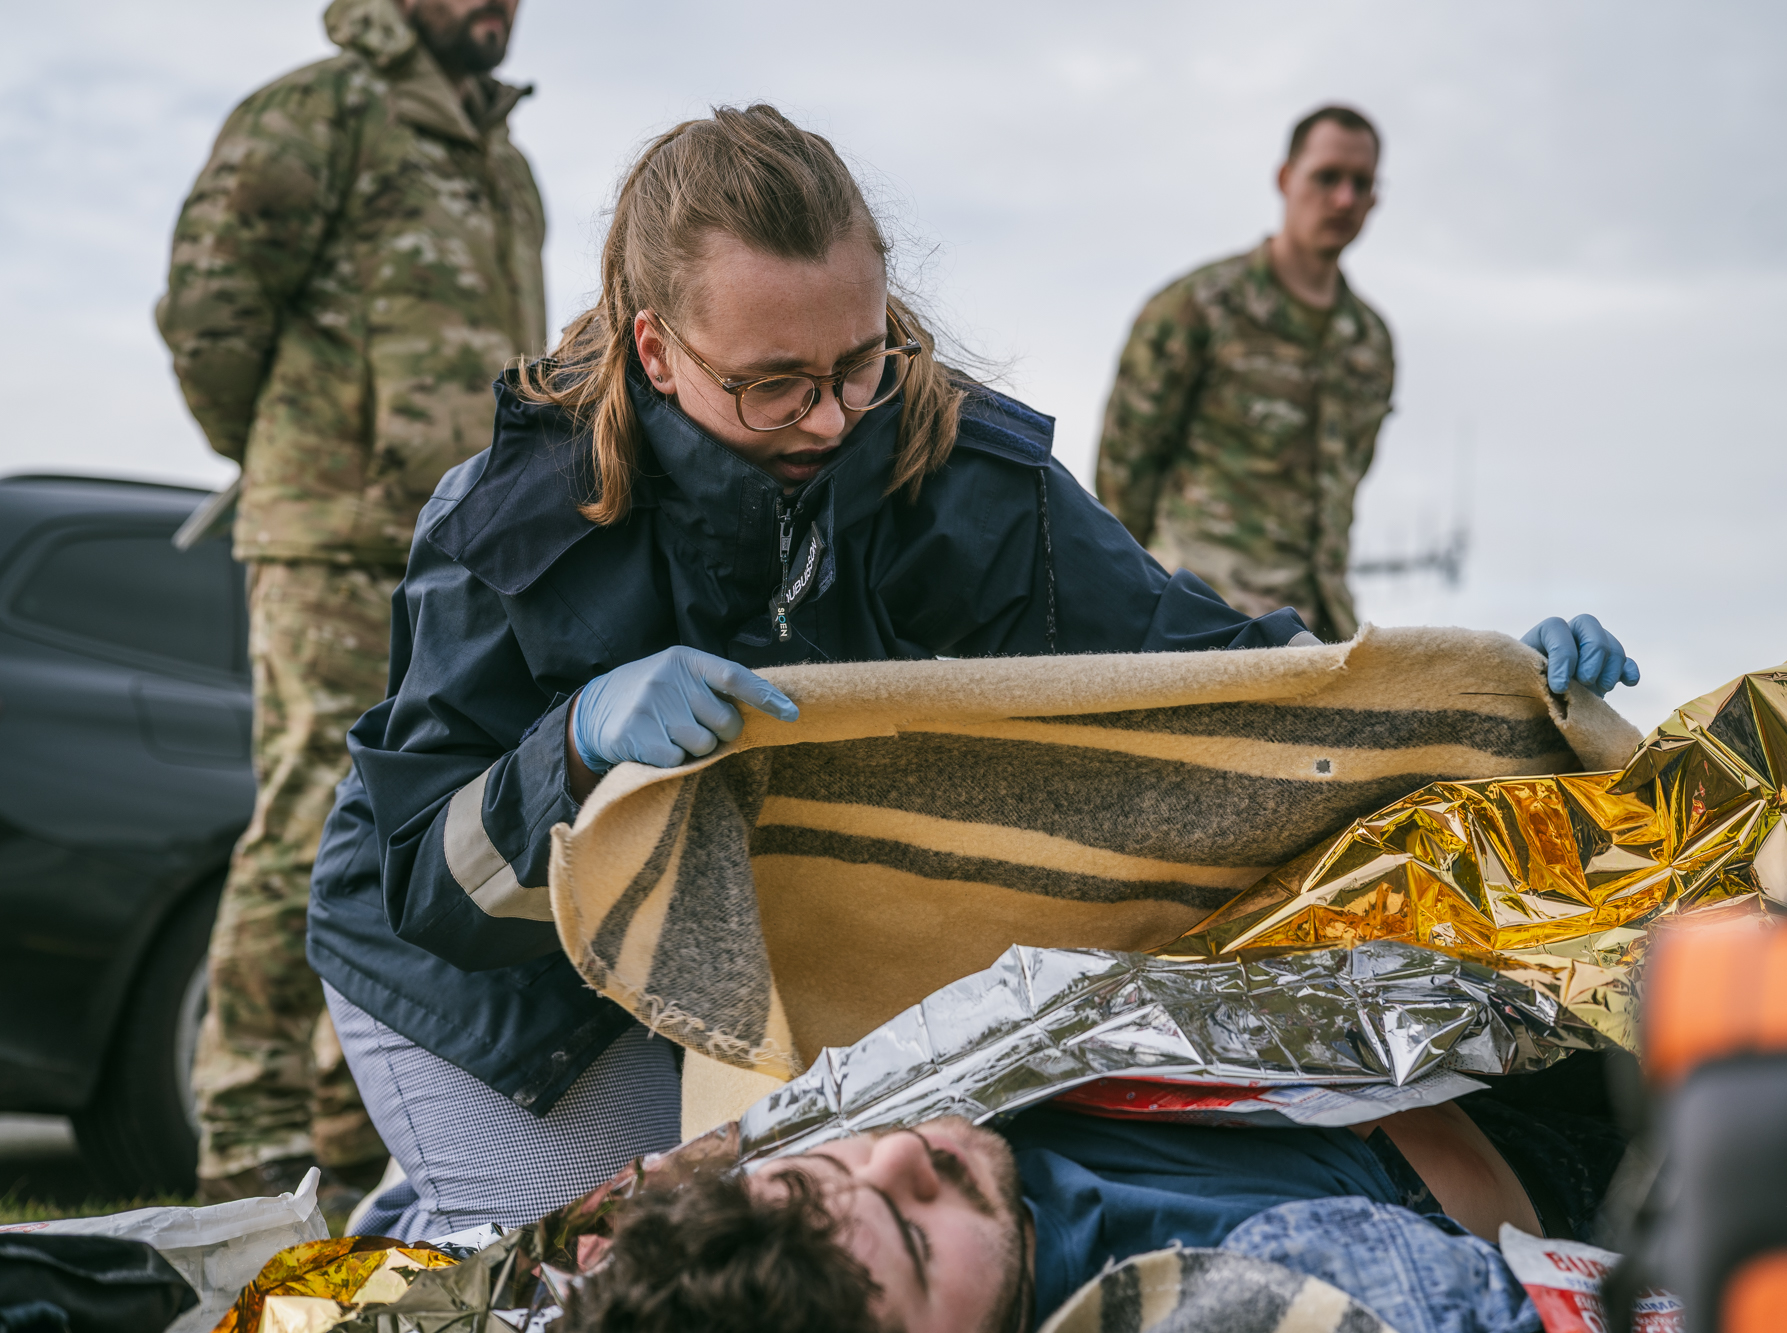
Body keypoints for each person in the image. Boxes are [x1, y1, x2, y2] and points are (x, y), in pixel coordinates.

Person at [304, 102, 1638, 1239]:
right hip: (498, 994)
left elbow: (1220, 676)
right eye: (773, 384)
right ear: (655, 349)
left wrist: (1484, 684)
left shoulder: (960, 473)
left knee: (804, 1235)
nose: (830, 417)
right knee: (631, 1257)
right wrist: (574, 746)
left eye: (857, 361)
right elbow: (430, 886)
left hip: (755, 971)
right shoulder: (512, 521)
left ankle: (449, 1198)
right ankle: (438, 1204)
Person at [156, 0, 546, 1204]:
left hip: (465, 554)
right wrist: (308, 456)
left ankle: (350, 1136)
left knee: (411, 828)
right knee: (302, 828)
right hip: (332, 540)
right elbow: (209, 319)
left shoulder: (504, 167)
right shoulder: (312, 114)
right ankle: (248, 1137)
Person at [567, 1081, 1628, 1333]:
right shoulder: (1253, 1290)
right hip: (1572, 1152)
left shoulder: (933, 1085)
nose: (900, 1151)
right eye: (912, 1238)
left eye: (818, 1171)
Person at [1095, 104, 1393, 645]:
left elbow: (1341, 493)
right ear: (1285, 178)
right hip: (1202, 625)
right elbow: (1123, 482)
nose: (1344, 199)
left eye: (1361, 183)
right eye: (1327, 177)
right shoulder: (1197, 308)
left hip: (1320, 634)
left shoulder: (1370, 343)